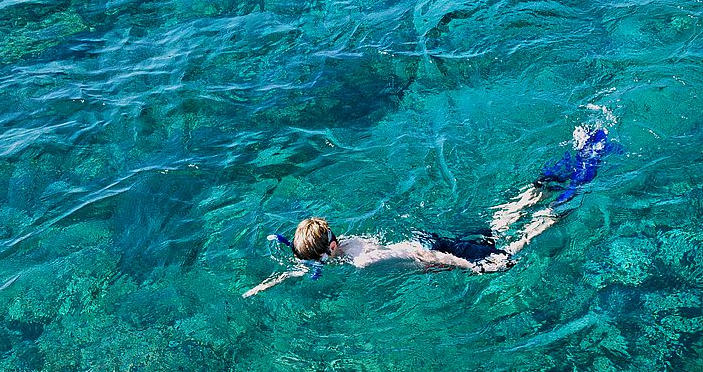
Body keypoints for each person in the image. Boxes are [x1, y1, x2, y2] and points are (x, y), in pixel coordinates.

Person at [242, 125, 618, 298]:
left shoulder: (362, 262)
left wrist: (469, 268)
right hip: (431, 238)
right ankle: (545, 179)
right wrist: (266, 284)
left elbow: (417, 255)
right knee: (500, 222)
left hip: (437, 253)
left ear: (328, 250)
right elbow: (302, 263)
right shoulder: (344, 245)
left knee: (516, 245)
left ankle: (568, 192)